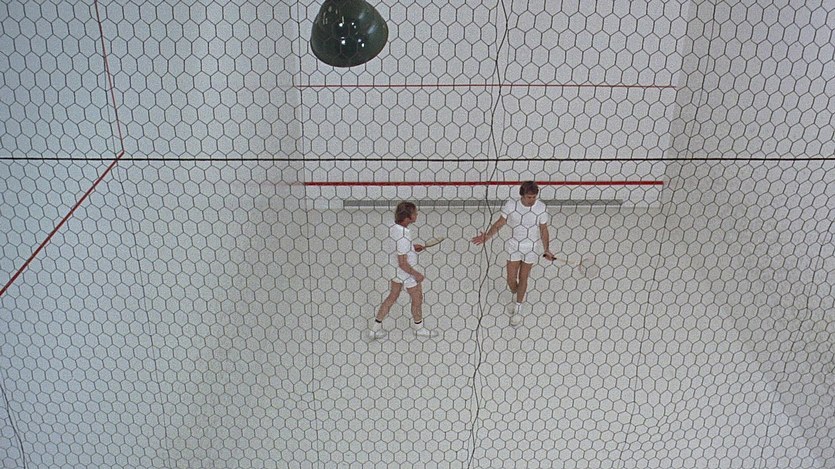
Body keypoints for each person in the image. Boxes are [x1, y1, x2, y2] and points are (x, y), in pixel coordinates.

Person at [472, 181, 554, 326]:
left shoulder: (541, 207)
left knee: (523, 278)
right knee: (511, 279)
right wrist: (487, 236)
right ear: (522, 195)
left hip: (530, 247)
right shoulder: (511, 204)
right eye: (529, 197)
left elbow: (543, 229)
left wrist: (546, 249)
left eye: (534, 197)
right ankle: (517, 294)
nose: (532, 200)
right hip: (514, 246)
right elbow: (500, 223)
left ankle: (518, 306)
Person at [368, 202, 438, 339]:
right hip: (406, 272)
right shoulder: (404, 236)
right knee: (417, 298)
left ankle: (375, 329)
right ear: (407, 217)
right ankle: (419, 328)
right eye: (414, 213)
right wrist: (417, 274)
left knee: (392, 296)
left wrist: (411, 248)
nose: (417, 214)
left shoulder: (393, 227)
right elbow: (403, 263)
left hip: (394, 270)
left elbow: (399, 249)